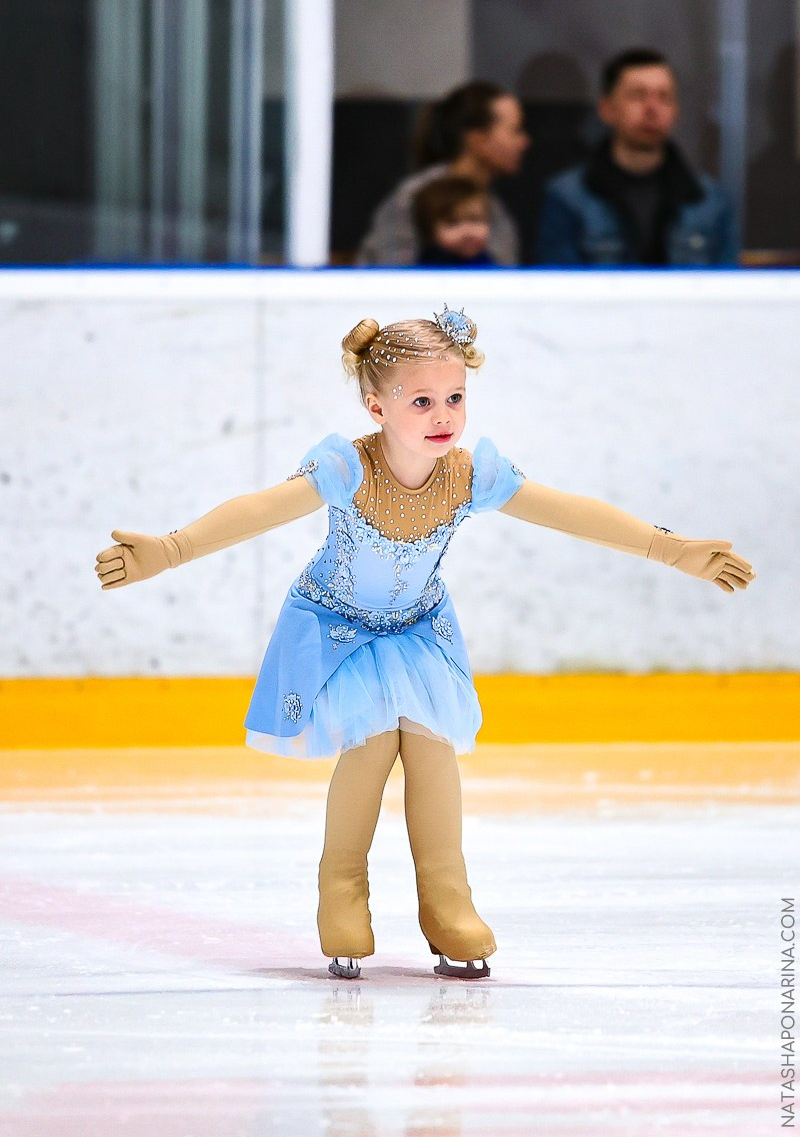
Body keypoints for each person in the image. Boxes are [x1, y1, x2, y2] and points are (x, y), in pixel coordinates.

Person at [94, 306, 755, 981]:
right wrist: (171, 550)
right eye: (421, 401)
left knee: (434, 750)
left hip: (417, 628)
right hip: (337, 627)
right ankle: (341, 895)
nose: (443, 415)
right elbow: (261, 508)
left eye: (455, 397)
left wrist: (670, 549)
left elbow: (567, 510)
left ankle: (448, 904)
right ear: (376, 405)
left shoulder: (469, 474)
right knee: (373, 743)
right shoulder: (348, 468)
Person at [535, 48, 737, 266]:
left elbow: (725, 292)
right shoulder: (568, 198)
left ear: (675, 111)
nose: (652, 109)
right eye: (638, 96)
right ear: (607, 109)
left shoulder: (709, 201)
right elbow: (559, 290)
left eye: (664, 98)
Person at [356, 81, 528, 266]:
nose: (525, 142)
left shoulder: (496, 209)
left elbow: (506, 282)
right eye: (515, 131)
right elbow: (390, 278)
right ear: (478, 140)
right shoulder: (415, 197)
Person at [412, 176, 494, 266]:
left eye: (475, 220)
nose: (467, 231)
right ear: (429, 232)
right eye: (453, 223)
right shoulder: (427, 270)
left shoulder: (486, 261)